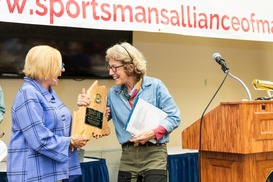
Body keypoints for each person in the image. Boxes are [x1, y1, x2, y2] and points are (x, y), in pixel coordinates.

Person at [77, 42, 181, 182]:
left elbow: (174, 117)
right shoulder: (113, 94)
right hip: (128, 156)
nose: (110, 73)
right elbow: (97, 123)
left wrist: (153, 133)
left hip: (154, 154)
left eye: (114, 68)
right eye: (110, 68)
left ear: (130, 67)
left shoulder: (155, 86)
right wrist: (85, 106)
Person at [7, 45, 88, 182]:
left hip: (51, 173)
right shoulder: (28, 93)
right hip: (33, 175)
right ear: (45, 67)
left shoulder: (48, 91)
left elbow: (60, 128)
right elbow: (39, 139)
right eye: (59, 65)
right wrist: (71, 141)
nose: (63, 70)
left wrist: (83, 110)